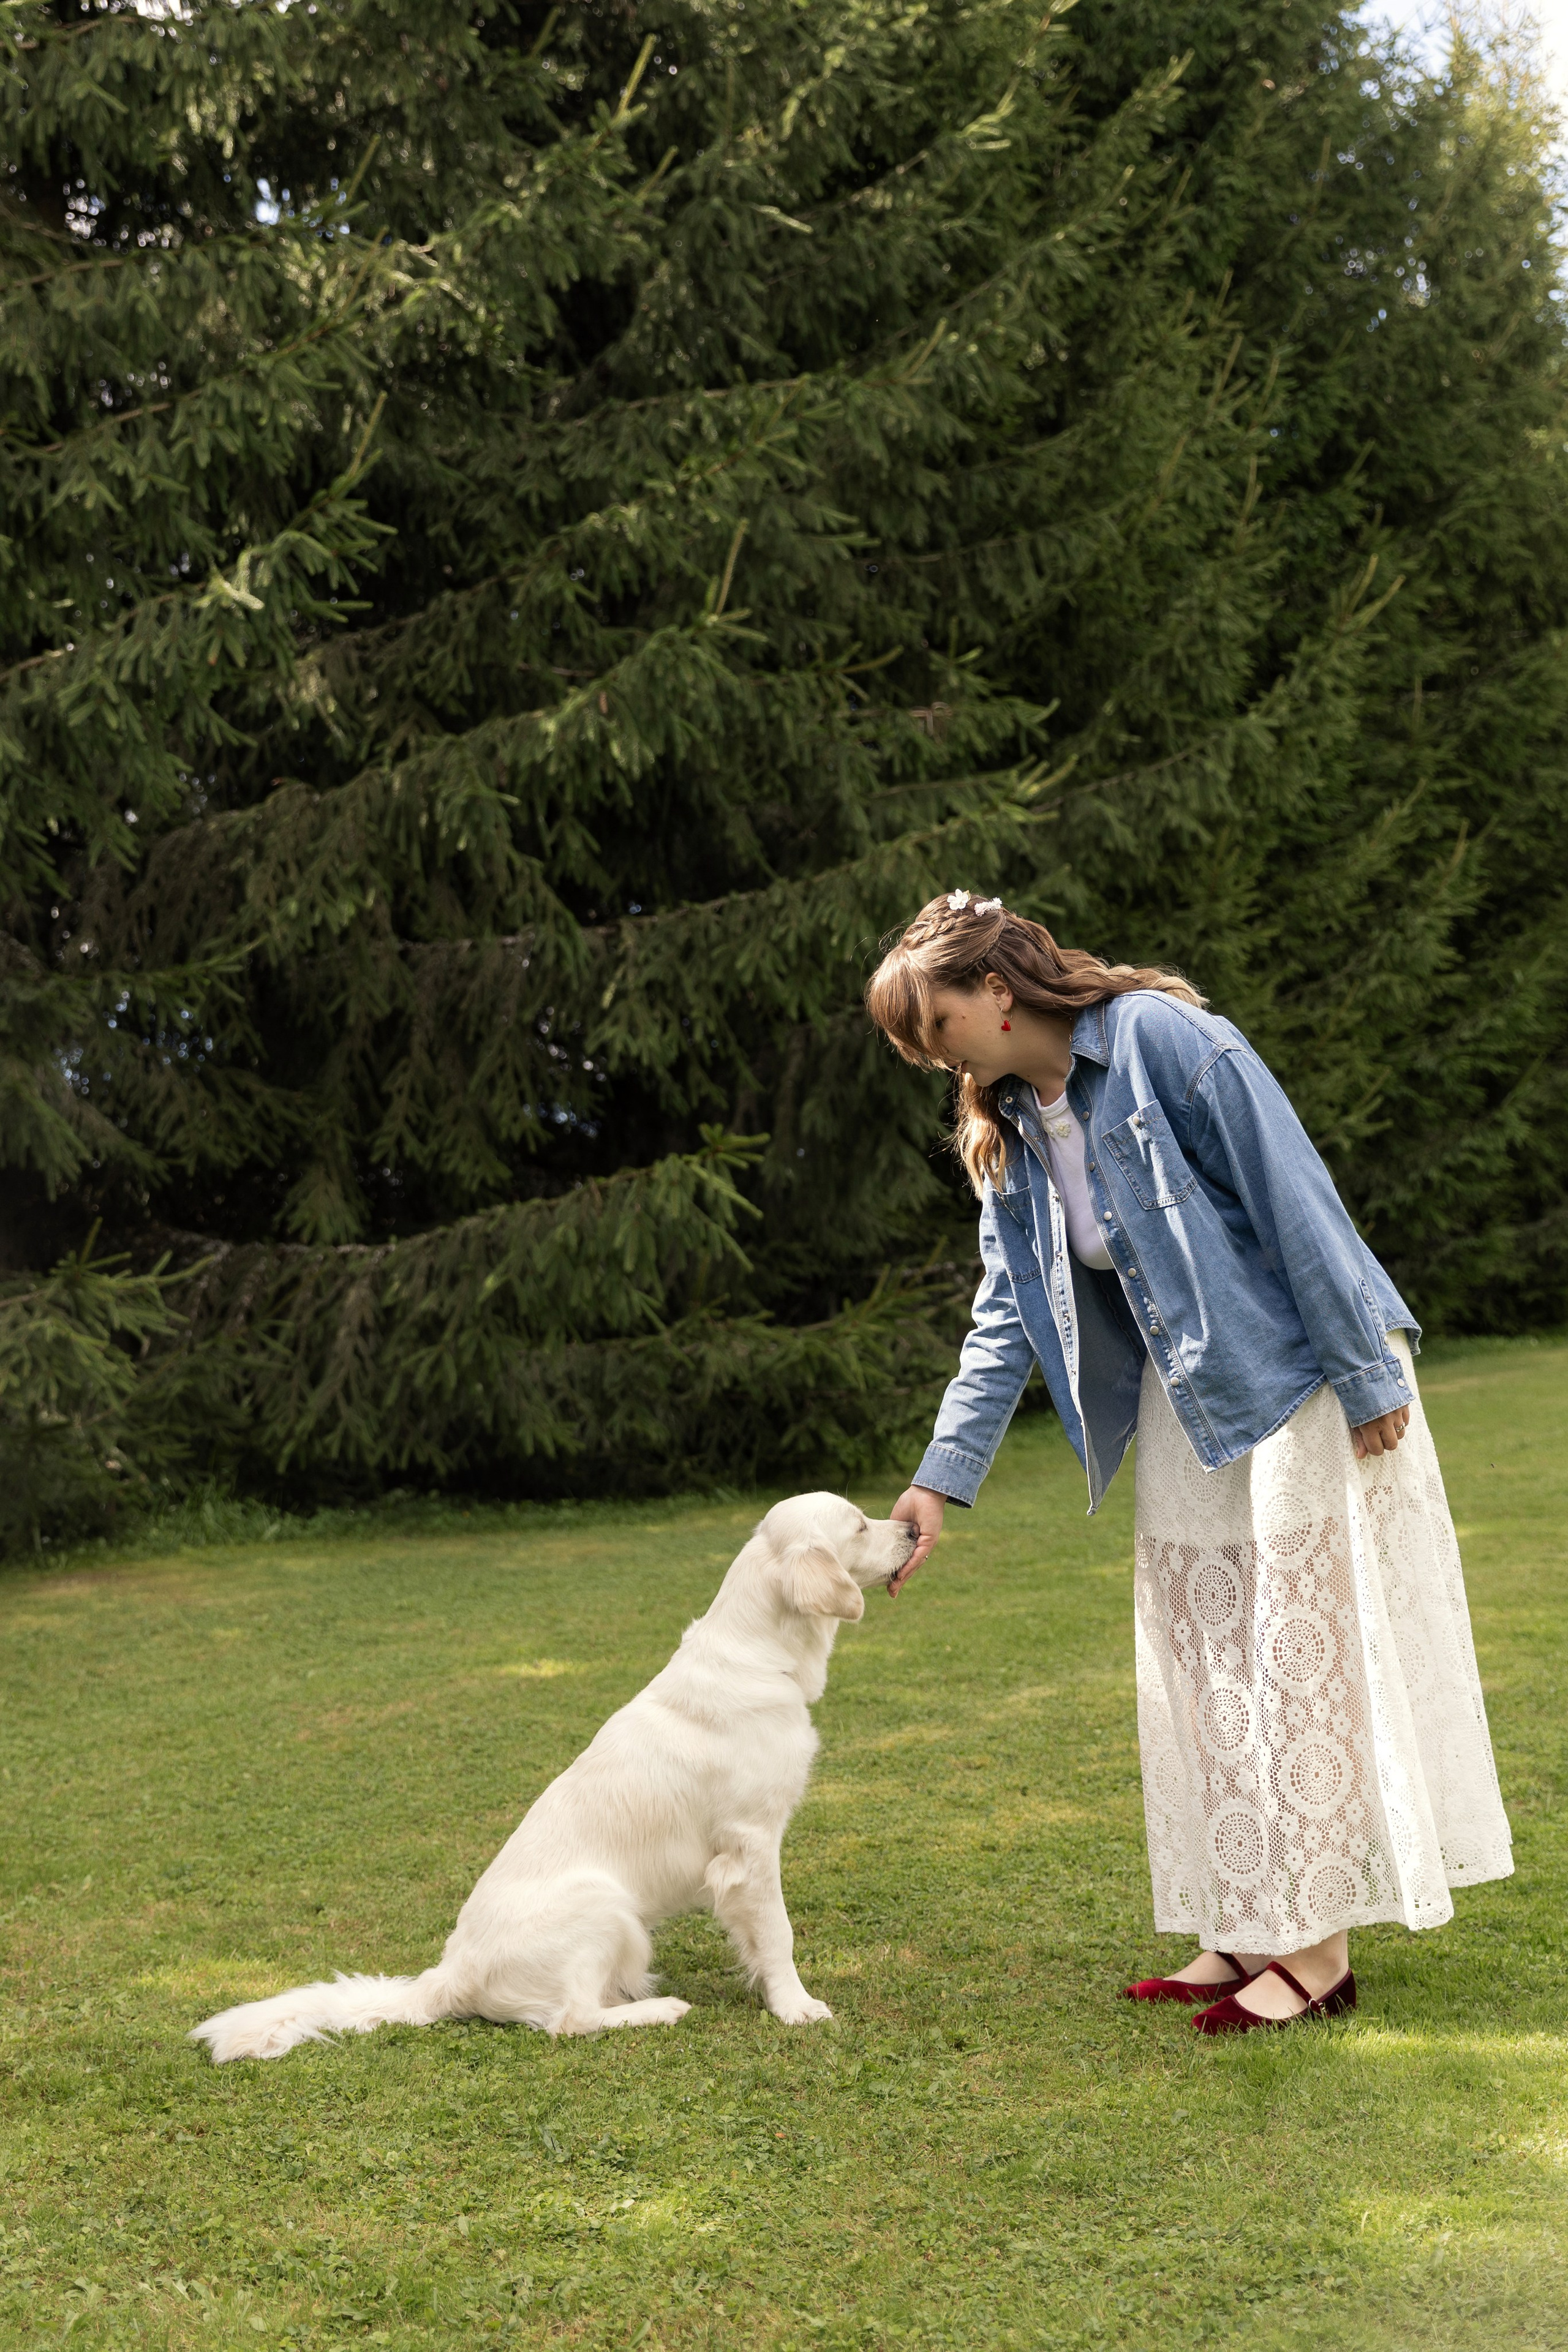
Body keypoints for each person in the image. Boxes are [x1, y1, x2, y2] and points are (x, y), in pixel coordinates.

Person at [865, 891, 1512, 2032]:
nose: (924, 1053)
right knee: (1206, 1658)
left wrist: (1365, 1377)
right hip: (1187, 1395)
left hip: (1299, 1377)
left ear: (997, 994)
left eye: (931, 1024)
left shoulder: (1166, 1042)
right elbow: (1009, 1307)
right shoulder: (1009, 1122)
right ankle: (1245, 1929)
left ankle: (1315, 1958)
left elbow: (1293, 1198)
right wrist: (941, 1476)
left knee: (1292, 1654)